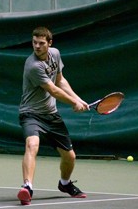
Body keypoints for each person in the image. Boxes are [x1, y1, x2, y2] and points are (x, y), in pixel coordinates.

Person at [17, 27, 89, 205]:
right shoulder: (33, 65)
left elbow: (60, 80)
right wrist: (74, 103)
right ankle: (27, 187)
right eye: (34, 42)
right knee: (32, 144)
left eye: (41, 43)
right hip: (30, 113)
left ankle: (65, 184)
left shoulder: (55, 54)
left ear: (50, 43)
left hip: (51, 115)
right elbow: (53, 90)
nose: (37, 46)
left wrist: (78, 99)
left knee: (70, 157)